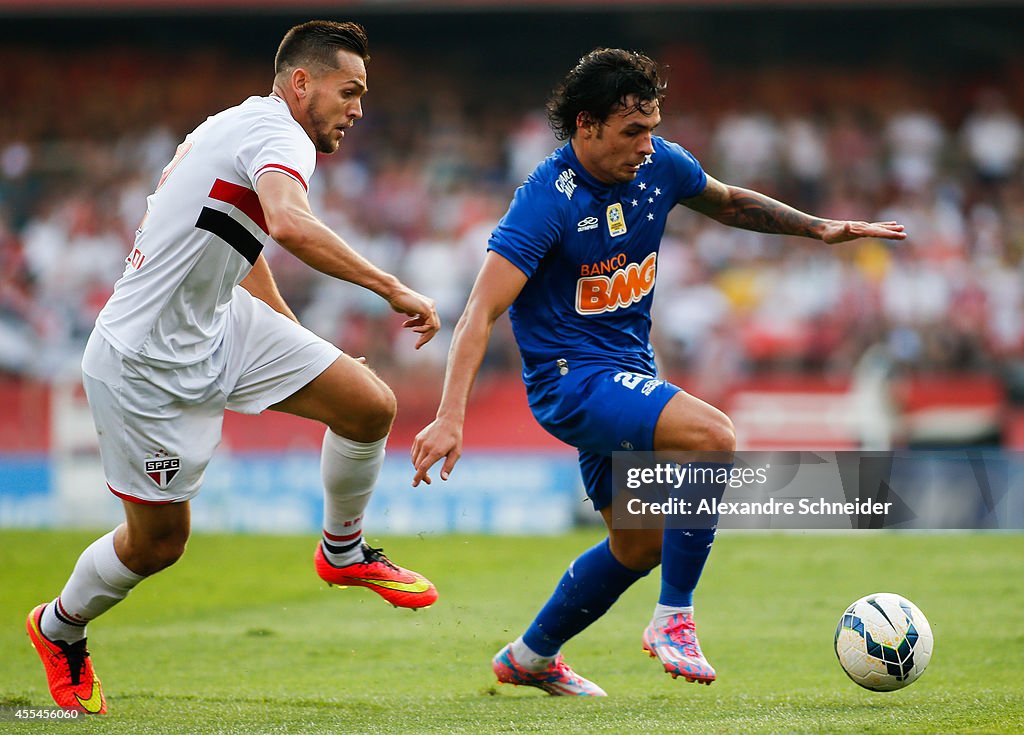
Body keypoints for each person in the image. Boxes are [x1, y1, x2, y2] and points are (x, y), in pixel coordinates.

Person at [411, 48, 905, 696]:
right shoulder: (545, 200)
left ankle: (530, 655)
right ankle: (675, 618)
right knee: (713, 436)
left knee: (638, 546)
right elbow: (479, 311)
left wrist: (819, 229)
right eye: (631, 131)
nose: (648, 145)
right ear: (585, 126)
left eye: (652, 127)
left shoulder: (660, 166)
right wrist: (451, 414)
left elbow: (728, 203)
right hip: (571, 381)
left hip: (625, 371)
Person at [27, 20, 441, 715]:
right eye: (350, 90)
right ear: (300, 82)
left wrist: (296, 340)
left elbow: (240, 245)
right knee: (159, 543)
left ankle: (342, 551)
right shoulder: (278, 135)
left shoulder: (233, 128)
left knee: (367, 402)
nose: (358, 108)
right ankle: (58, 626)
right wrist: (392, 286)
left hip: (218, 323)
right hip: (144, 365)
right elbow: (287, 224)